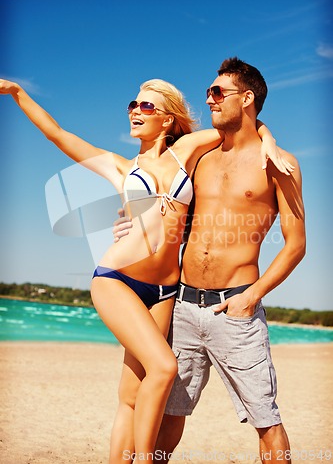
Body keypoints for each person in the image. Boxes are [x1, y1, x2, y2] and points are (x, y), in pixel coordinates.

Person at [0, 75, 292, 464]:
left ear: (168, 119)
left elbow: (241, 122)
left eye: (147, 106)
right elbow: (57, 134)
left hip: (167, 292)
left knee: (132, 395)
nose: (136, 111)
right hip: (119, 279)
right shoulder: (121, 168)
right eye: (133, 105)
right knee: (164, 367)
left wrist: (269, 139)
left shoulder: (187, 151)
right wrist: (18, 93)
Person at [113, 58, 306, 464]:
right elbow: (171, 215)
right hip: (183, 305)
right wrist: (134, 228)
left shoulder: (278, 163)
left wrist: (251, 296)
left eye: (218, 92)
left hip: (235, 309)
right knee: (168, 414)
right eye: (209, 92)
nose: (210, 100)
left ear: (247, 98)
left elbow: (295, 245)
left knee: (265, 420)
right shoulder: (201, 156)